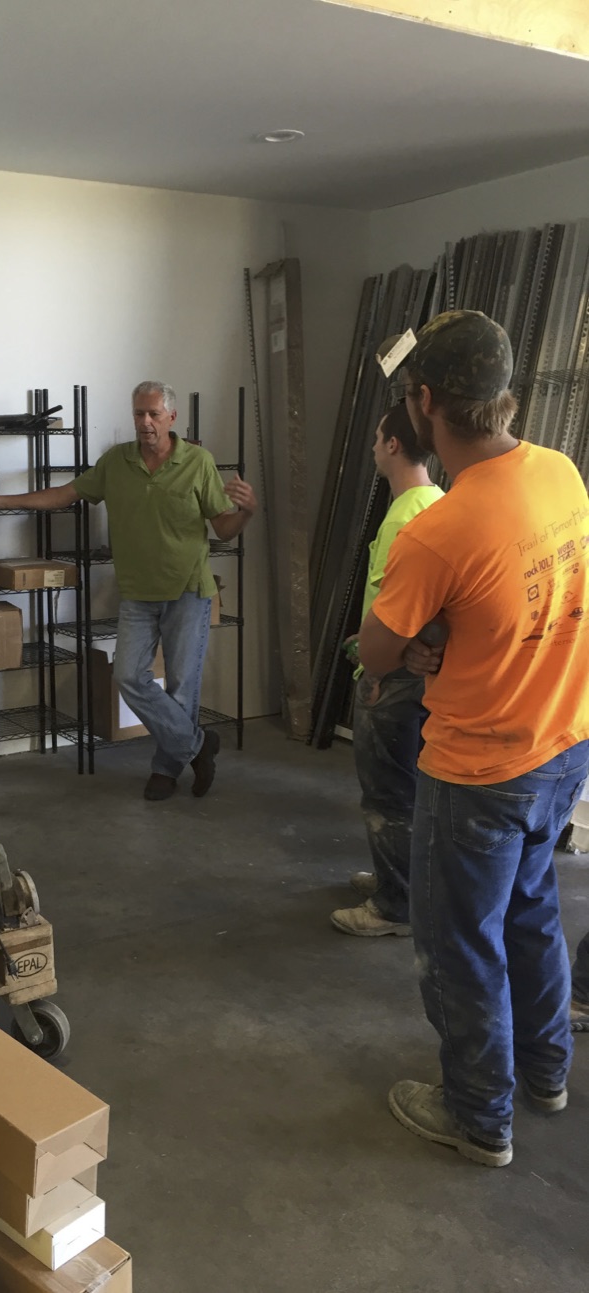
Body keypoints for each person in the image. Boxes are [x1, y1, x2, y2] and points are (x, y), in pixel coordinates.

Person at [359, 310, 589, 1168]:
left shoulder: (440, 530)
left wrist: (426, 633)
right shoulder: (561, 473)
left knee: (460, 943)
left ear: (426, 403)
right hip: (564, 746)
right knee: (531, 914)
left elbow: (380, 652)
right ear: (504, 396)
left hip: (479, 772)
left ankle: (479, 1115)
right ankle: (545, 1070)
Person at [0, 381, 257, 800]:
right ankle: (198, 745)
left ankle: (165, 769)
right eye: (139, 414)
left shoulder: (199, 462)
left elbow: (223, 529)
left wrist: (246, 512)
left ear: (172, 418)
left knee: (181, 687)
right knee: (127, 676)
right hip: (137, 593)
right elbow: (64, 494)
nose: (145, 422)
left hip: (188, 591)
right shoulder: (116, 462)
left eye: (154, 414)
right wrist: (1, 502)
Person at [330, 403, 444, 937]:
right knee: (411, 788)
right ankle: (396, 880)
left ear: (393, 445)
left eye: (378, 437)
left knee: (388, 795)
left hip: (390, 676)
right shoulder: (437, 502)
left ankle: (394, 907)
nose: (374, 445)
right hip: (415, 671)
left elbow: (394, 608)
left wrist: (375, 654)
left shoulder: (405, 517)